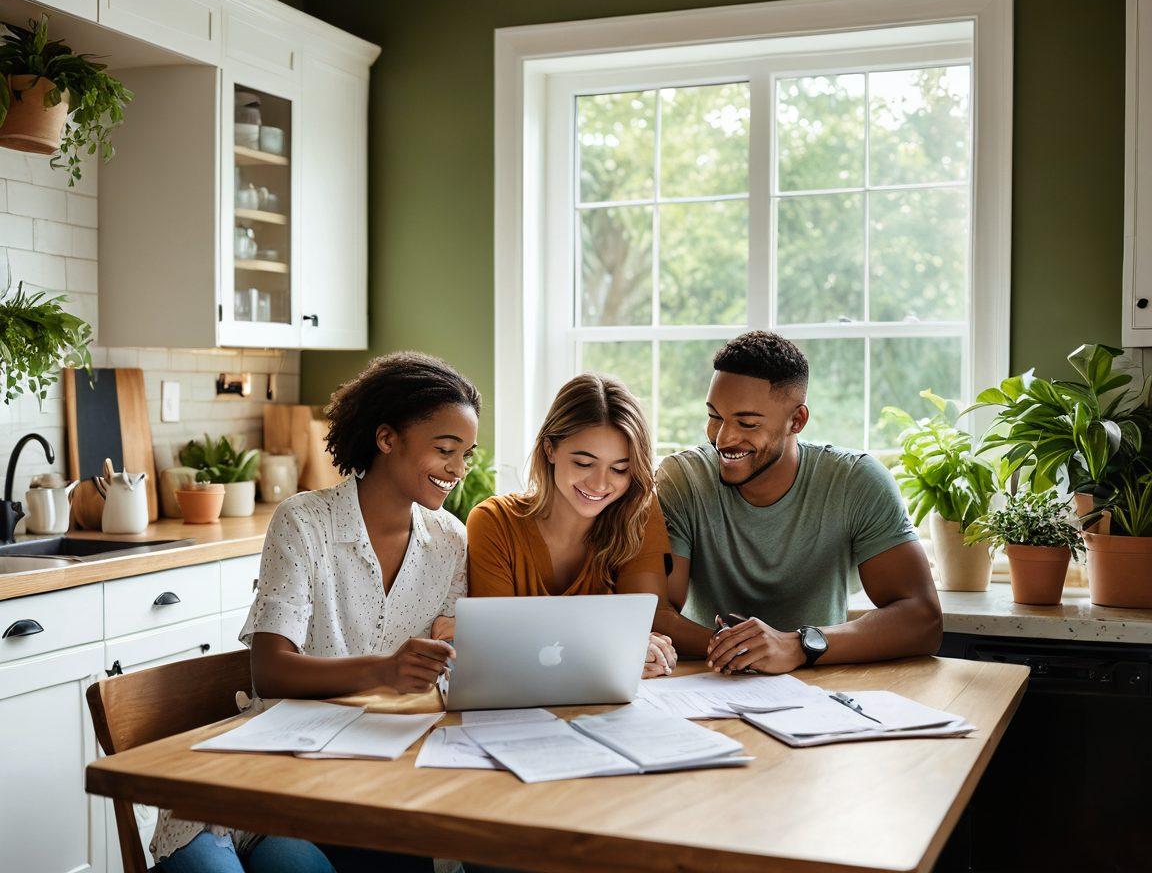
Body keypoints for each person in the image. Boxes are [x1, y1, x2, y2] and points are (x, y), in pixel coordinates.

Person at [153, 351, 479, 873]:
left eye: (466, 454)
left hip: (353, 785)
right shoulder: (305, 522)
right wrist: (386, 670)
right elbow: (270, 670)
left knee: (301, 863)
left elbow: (450, 653)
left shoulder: (450, 542)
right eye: (445, 449)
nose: (458, 470)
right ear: (386, 437)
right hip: (262, 769)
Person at [620, 331, 941, 674]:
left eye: (747, 423)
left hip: (825, 686)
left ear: (797, 420)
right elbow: (654, 614)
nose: (723, 437)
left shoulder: (856, 481)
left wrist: (797, 646)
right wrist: (743, 650)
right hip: (708, 683)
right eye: (715, 416)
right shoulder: (683, 480)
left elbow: (923, 619)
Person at [467, 373, 677, 677]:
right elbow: (496, 644)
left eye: (620, 469)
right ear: (550, 449)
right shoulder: (493, 521)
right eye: (584, 463)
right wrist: (613, 647)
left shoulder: (637, 511)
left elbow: (647, 623)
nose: (600, 483)